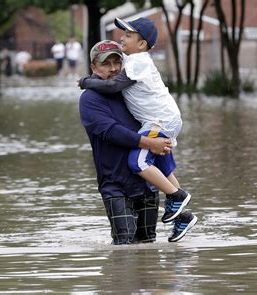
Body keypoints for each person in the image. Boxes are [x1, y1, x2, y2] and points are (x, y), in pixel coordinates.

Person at [79, 18, 197, 242]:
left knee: (146, 246)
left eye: (117, 62)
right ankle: (179, 199)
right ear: (94, 67)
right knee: (124, 245)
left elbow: (152, 118)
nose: (113, 68)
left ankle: (182, 210)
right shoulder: (90, 99)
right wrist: (150, 144)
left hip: (146, 185)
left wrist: (160, 144)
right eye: (106, 64)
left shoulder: (128, 87)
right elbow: (111, 131)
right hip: (115, 184)